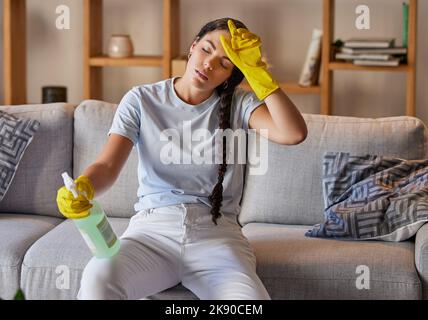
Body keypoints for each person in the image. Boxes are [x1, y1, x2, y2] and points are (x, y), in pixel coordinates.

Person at [56, 17, 307, 300]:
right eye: (207, 49)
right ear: (192, 47)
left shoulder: (240, 104)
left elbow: (293, 133)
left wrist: (258, 73)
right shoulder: (141, 99)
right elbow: (107, 165)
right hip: (151, 233)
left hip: (218, 236)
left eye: (225, 63)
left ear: (231, 75)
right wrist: (84, 186)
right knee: (97, 282)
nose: (210, 64)